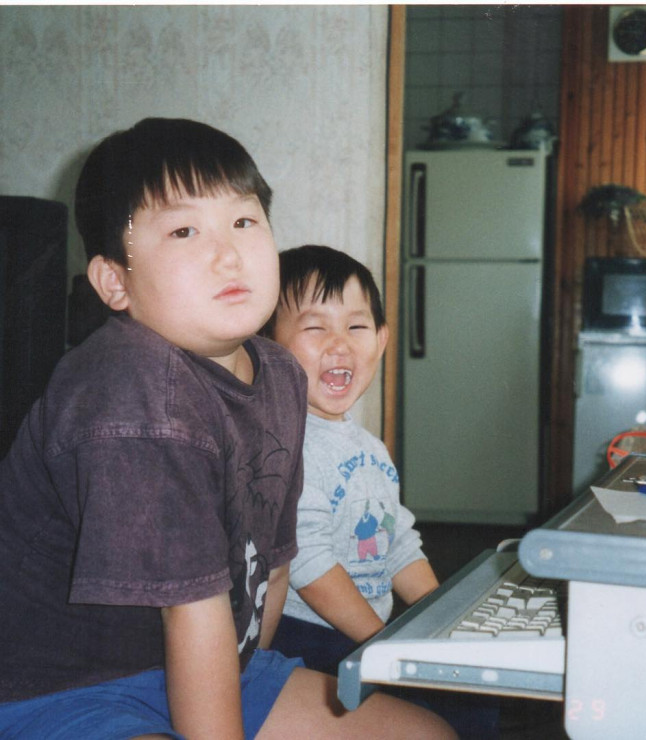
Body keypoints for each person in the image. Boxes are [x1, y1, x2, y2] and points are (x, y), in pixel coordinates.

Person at [0, 119, 456, 740]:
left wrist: (249, 682)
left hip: (204, 658)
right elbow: (192, 612)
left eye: (244, 221)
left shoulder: (280, 375)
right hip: (56, 688)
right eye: (184, 230)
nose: (229, 253)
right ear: (115, 281)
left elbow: (271, 567)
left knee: (427, 734)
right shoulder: (133, 392)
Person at [262, 245, 440, 672]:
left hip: (361, 631)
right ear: (267, 346)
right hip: (306, 638)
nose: (339, 343)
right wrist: (383, 645)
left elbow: (397, 542)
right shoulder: (286, 445)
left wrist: (442, 622)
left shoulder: (370, 449)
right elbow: (308, 564)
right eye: (315, 327)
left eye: (356, 326)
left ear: (381, 341)